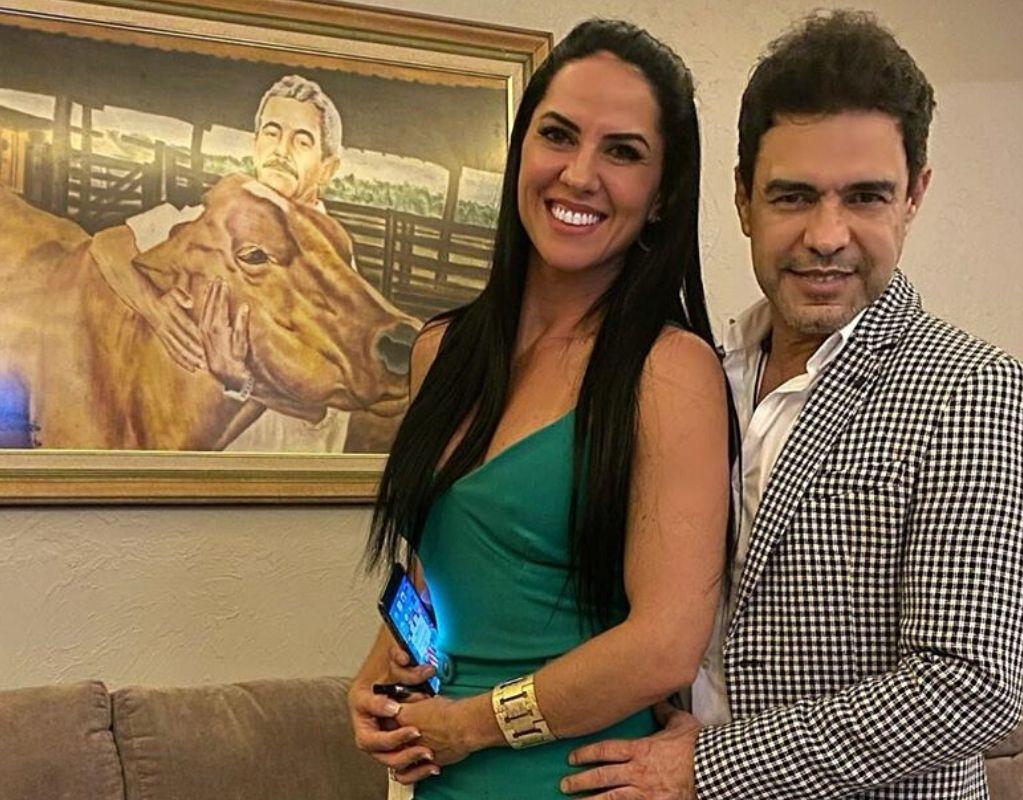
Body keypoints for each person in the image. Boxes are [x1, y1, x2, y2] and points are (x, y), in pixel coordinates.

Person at [561, 9, 1023, 799]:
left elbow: (970, 684)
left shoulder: (975, 389)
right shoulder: (693, 374)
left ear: (914, 195)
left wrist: (709, 767)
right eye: (793, 197)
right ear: (743, 199)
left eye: (866, 197)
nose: (827, 236)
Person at [347, 19, 731, 800]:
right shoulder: (442, 350)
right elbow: (440, 568)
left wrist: (472, 725)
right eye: (558, 135)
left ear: (662, 195)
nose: (580, 174)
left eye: (622, 152)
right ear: (522, 150)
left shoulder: (671, 370)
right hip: (439, 778)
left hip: (575, 780)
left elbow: (665, 646)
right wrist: (375, 677)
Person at [89, 74, 356, 452]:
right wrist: (158, 312)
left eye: (302, 141)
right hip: (200, 463)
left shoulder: (333, 266)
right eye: (272, 133)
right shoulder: (217, 218)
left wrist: (239, 380)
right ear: (255, 145)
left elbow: (320, 404)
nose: (281, 150)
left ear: (327, 167)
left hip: (281, 465)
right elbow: (108, 245)